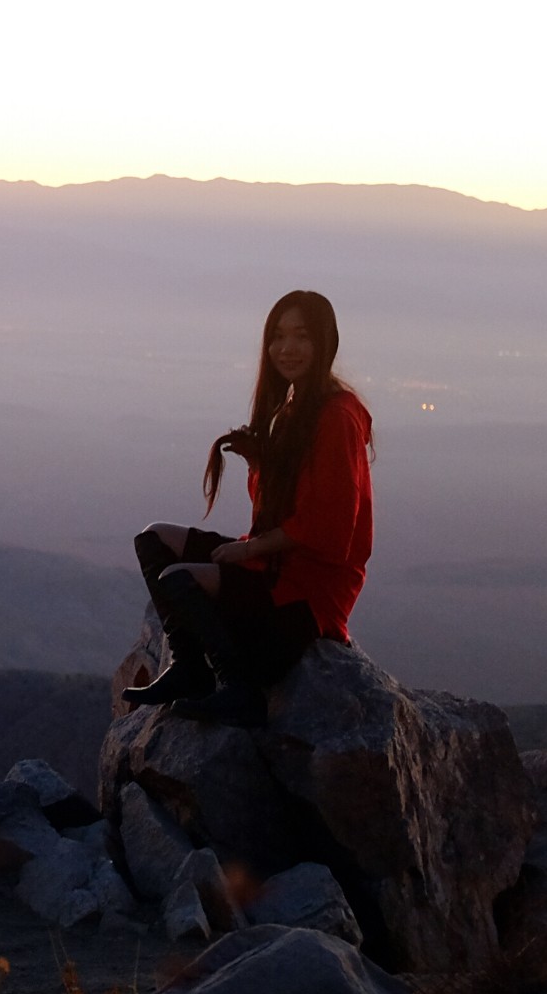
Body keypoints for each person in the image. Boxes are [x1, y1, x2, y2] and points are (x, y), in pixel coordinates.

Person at [122, 289, 373, 725]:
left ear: (325, 343)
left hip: (306, 593)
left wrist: (249, 551)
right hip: (275, 565)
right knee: (153, 540)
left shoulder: (338, 416)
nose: (287, 348)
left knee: (180, 581)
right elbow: (278, 509)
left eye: (301, 336)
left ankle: (239, 688)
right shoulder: (294, 408)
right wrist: (258, 462)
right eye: (278, 336)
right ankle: (190, 669)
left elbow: (330, 527)